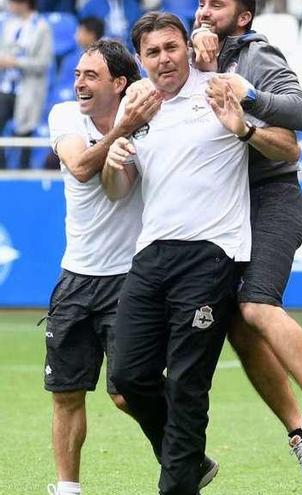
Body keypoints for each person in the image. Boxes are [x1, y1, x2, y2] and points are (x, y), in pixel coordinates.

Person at [101, 12, 301, 495]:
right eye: (153, 52)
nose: (164, 59)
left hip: (213, 253)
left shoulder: (219, 88)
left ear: (187, 47)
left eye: (172, 47)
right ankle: (190, 460)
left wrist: (244, 129)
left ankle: (177, 484)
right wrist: (112, 157)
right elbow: (117, 190)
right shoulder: (135, 104)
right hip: (150, 254)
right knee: (127, 377)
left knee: (188, 384)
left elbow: (289, 148)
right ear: (142, 60)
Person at [187, 0, 302, 485]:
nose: (203, 9)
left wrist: (249, 97)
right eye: (199, 2)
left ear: (242, 18)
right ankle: (301, 431)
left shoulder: (256, 55)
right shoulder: (196, 52)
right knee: (240, 328)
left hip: (272, 198)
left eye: (215, 4)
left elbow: (301, 114)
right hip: (226, 208)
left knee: (258, 306)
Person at [44, 39, 160, 495]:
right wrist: (120, 132)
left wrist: (131, 128)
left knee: (126, 392)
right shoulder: (65, 115)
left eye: (90, 76)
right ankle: (68, 488)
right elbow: (78, 166)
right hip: (76, 276)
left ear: (119, 83)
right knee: (66, 391)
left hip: (131, 277)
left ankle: (180, 445)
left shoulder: (155, 122)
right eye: (77, 75)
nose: (79, 84)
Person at [0, 0, 52, 169]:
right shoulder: (8, 23)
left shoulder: (41, 27)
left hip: (28, 89)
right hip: (5, 87)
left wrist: (16, 63)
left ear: (23, 3)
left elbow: (43, 63)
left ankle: (23, 172)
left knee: (24, 132)